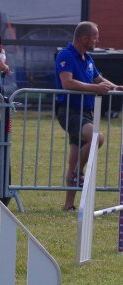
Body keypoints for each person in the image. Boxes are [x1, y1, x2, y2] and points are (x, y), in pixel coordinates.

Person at [55, 21, 123, 211]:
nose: (97, 40)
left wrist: (115, 87)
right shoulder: (66, 55)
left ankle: (68, 205)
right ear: (83, 38)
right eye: (95, 37)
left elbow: (98, 79)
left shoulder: (88, 58)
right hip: (69, 110)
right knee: (96, 137)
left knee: (75, 156)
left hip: (85, 112)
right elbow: (67, 83)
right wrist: (97, 89)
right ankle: (78, 173)